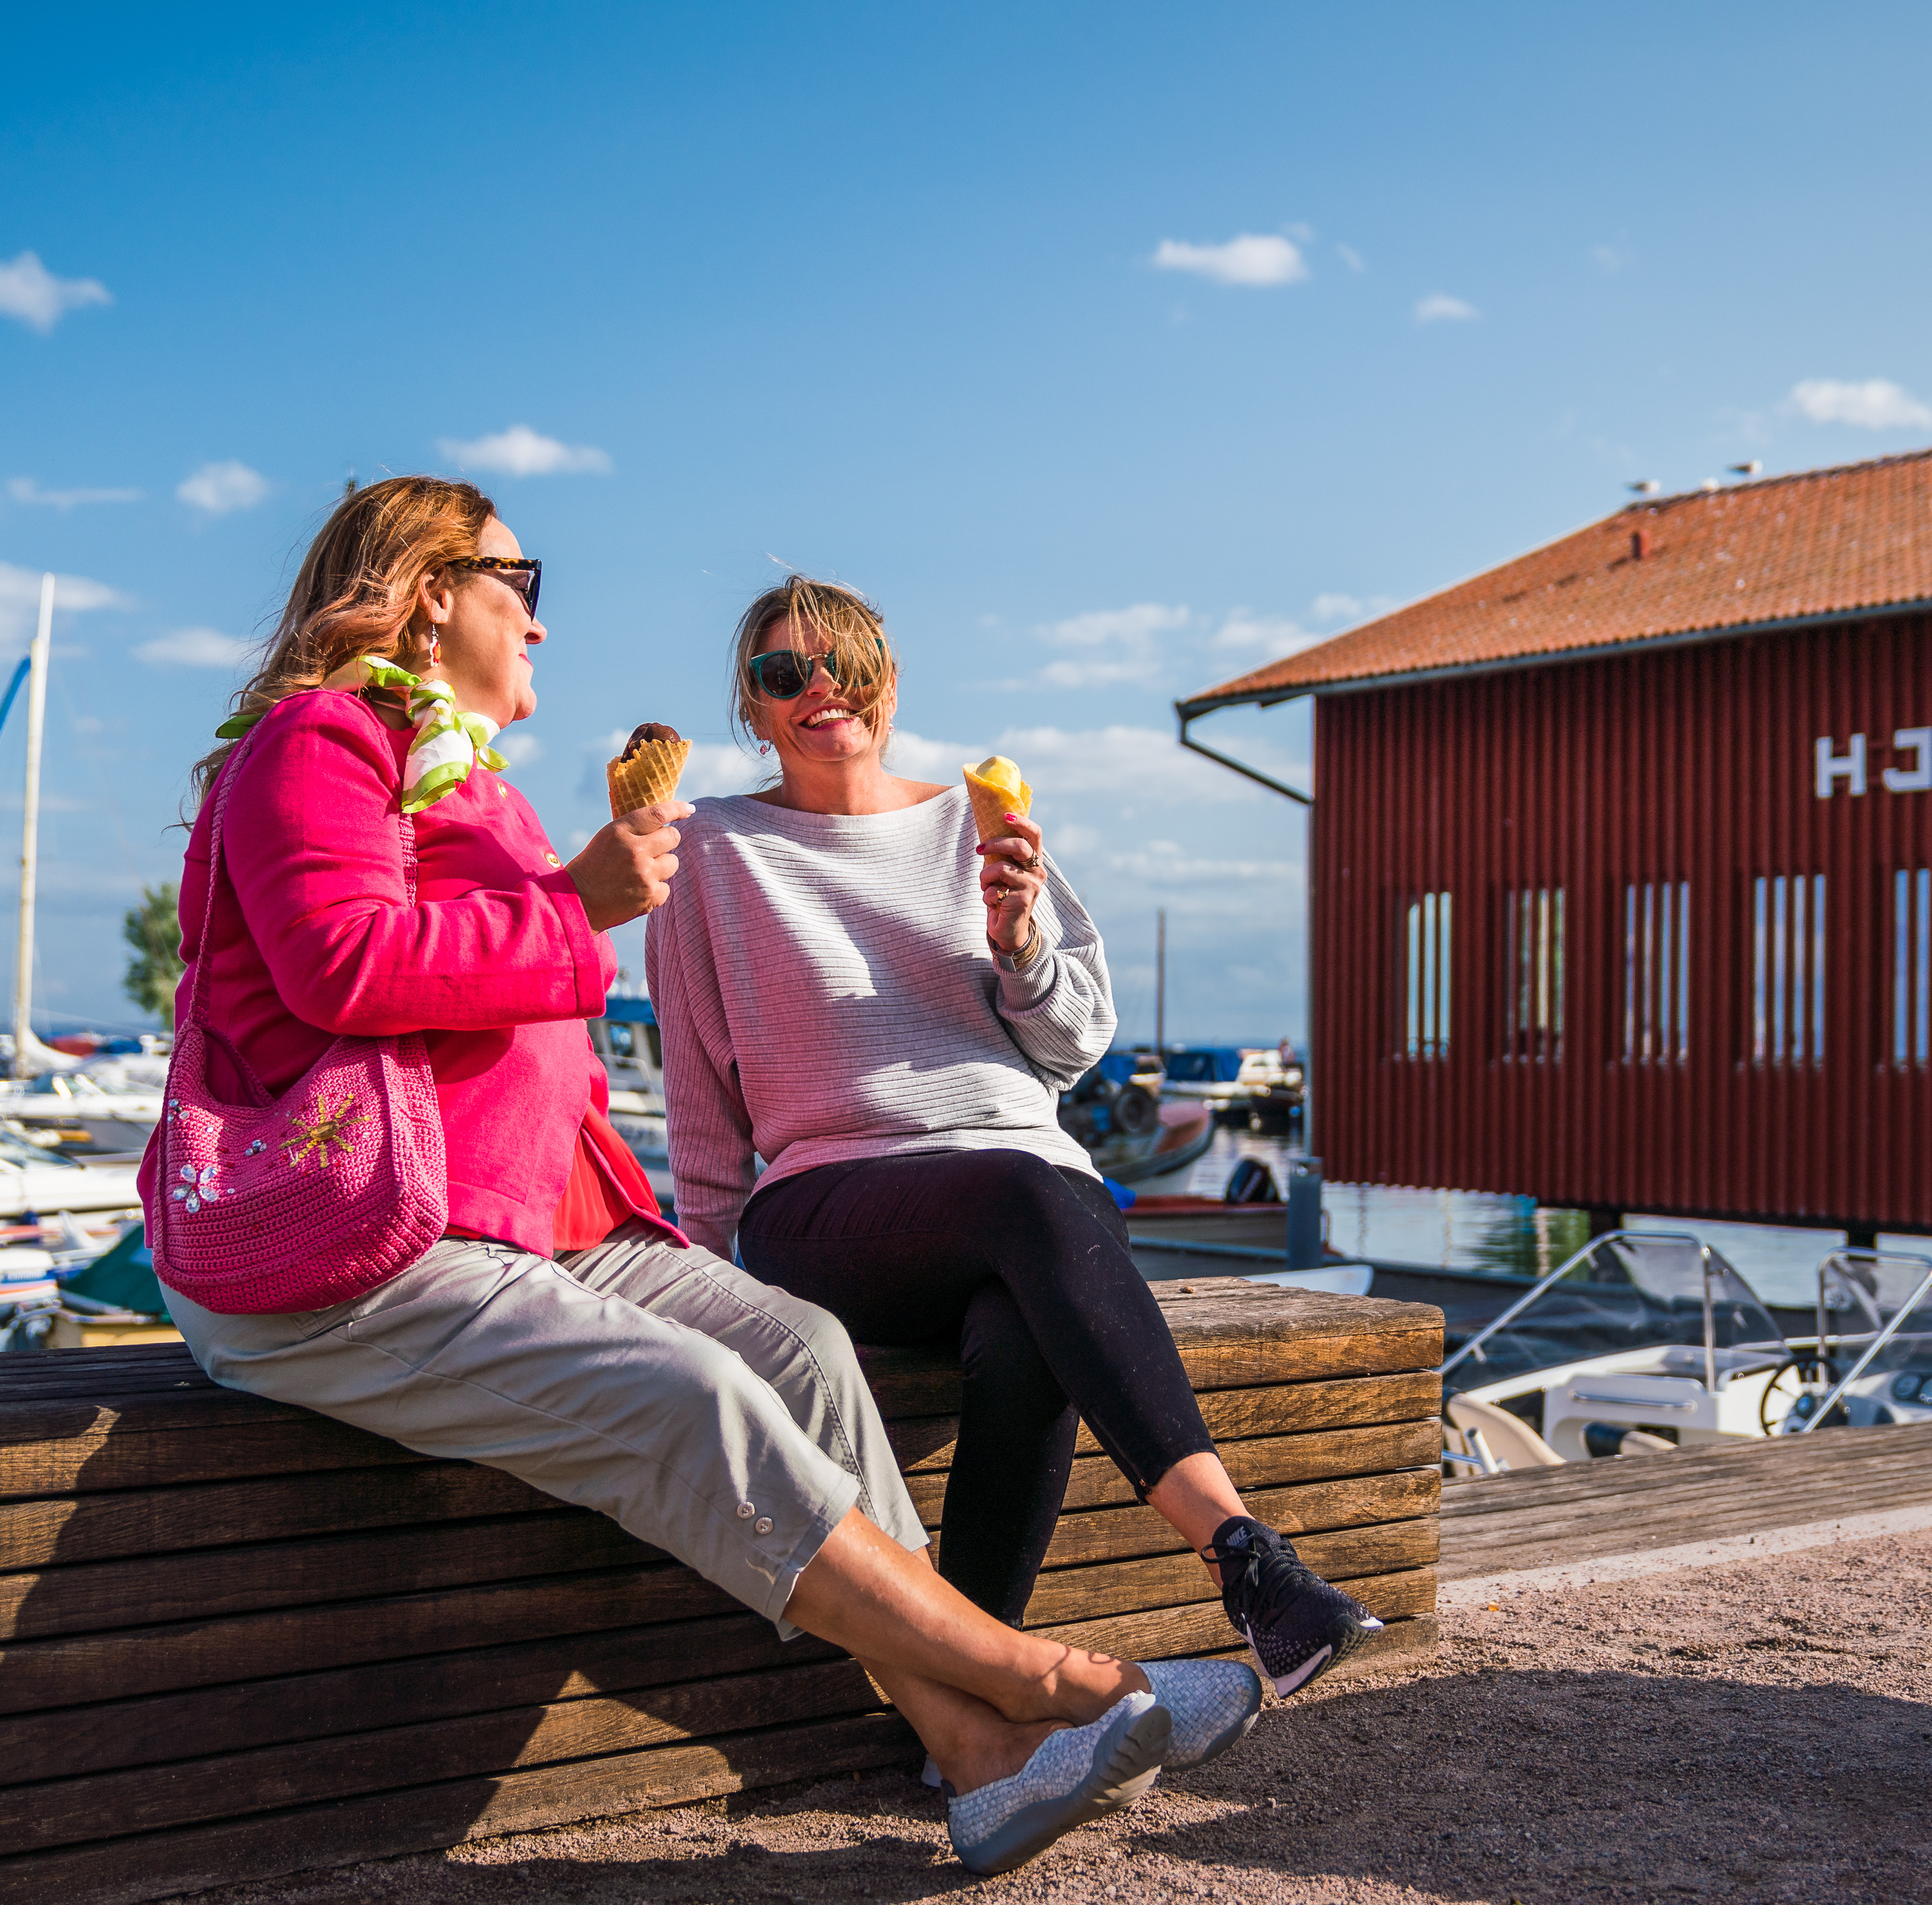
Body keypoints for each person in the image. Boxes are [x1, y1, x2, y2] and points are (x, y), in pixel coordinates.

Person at [149, 480, 1256, 1876]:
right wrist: (576, 907)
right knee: (700, 1398)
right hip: (364, 1245)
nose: (540, 626)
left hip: (532, 1221)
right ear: (431, 591)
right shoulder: (322, 738)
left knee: (797, 1349)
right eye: (519, 581)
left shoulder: (453, 766)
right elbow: (342, 965)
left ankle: (973, 1760)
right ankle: (1041, 1689)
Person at [648, 575, 1383, 1699]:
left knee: (1028, 1317)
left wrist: (1019, 941)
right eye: (782, 673)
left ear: (888, 684)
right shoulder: (707, 853)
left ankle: (969, 1701)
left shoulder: (972, 824)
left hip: (1021, 1194)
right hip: (831, 1207)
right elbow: (699, 1108)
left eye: (844, 666)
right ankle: (1247, 1562)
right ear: (748, 708)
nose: (819, 691)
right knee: (1029, 1195)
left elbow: (1078, 1042)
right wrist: (707, 1295)